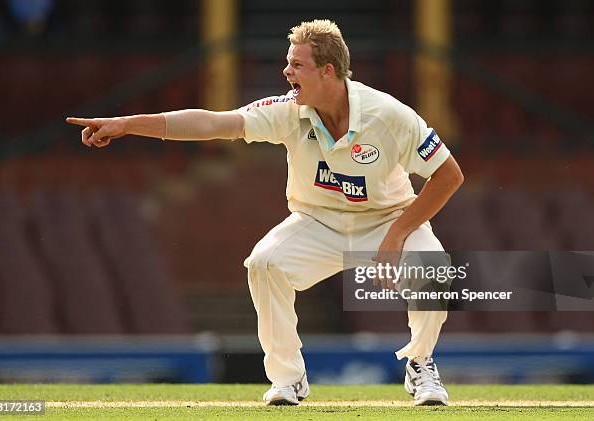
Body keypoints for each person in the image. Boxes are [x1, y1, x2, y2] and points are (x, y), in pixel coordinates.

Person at [67, 19, 463, 406]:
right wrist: (126, 125)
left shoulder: (390, 115)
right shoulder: (290, 110)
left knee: (433, 267)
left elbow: (449, 175)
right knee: (264, 263)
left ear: (328, 71)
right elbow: (212, 124)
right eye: (288, 62)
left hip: (387, 218)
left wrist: (397, 235)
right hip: (318, 221)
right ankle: (288, 380)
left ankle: (420, 364)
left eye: (297, 65)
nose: (285, 70)